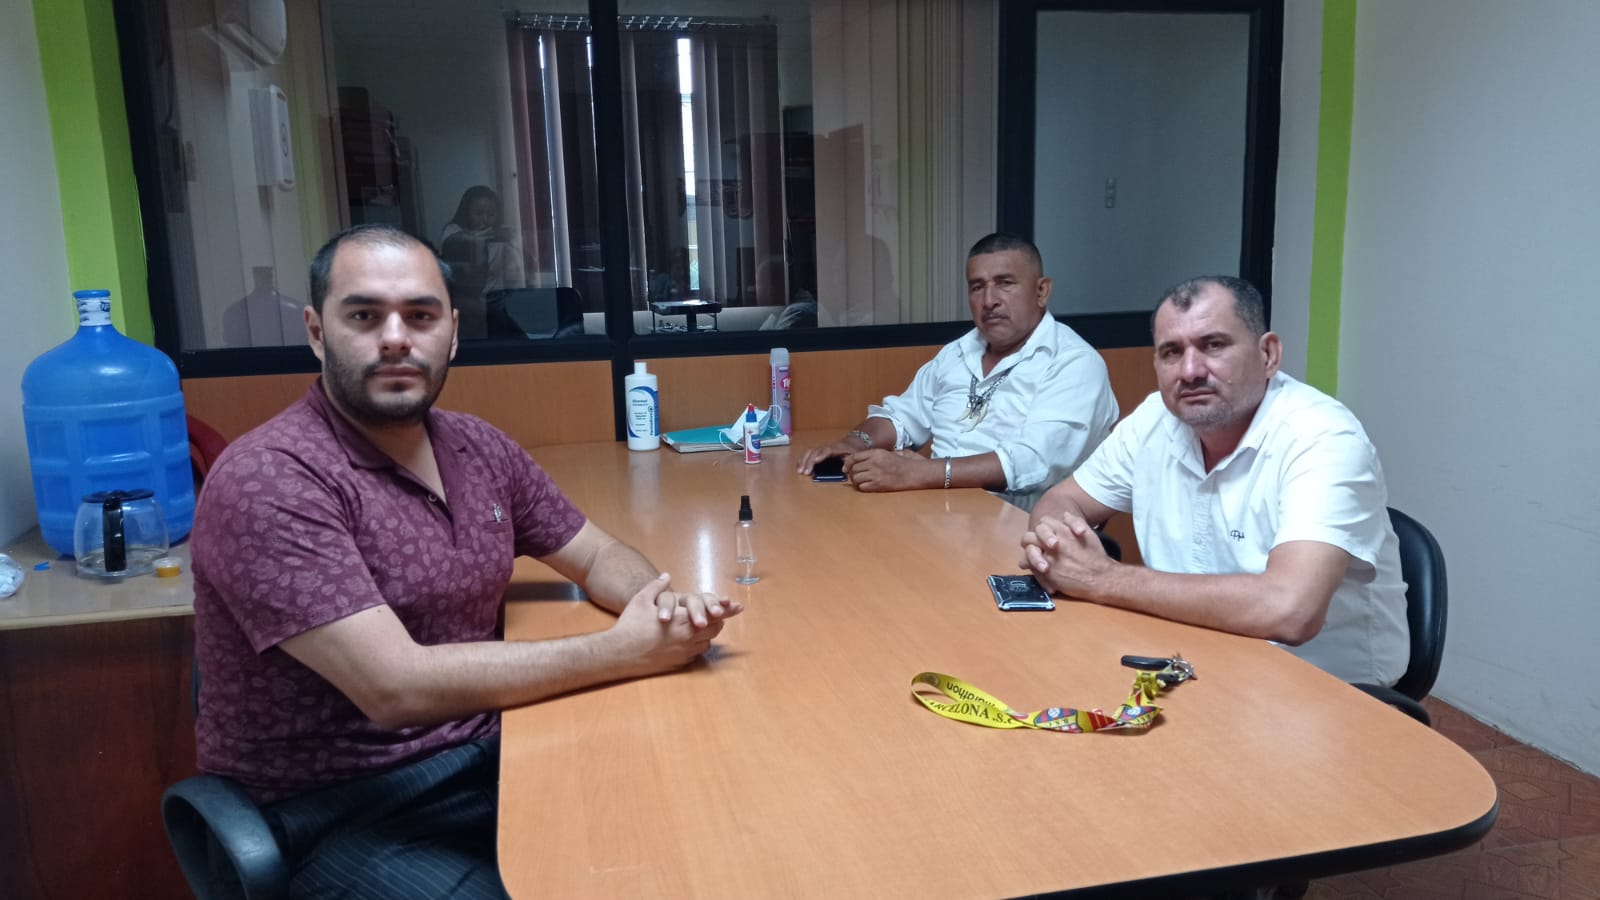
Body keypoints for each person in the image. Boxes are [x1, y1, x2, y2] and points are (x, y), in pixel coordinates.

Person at [190, 224, 741, 898]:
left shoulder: (477, 447)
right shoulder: (271, 479)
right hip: (344, 807)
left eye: (420, 316)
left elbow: (596, 553)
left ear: (451, 333)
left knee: (697, 820)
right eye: (364, 316)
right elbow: (394, 687)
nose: (396, 338)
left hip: (494, 754)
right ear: (316, 332)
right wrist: (623, 651)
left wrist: (658, 606)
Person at [1022, 275, 1408, 686]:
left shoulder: (1323, 437)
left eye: (1213, 345)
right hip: (1188, 660)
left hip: (1324, 687)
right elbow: (1062, 500)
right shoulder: (1154, 420)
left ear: (1268, 355)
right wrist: (1057, 550)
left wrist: (1100, 578)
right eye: (1171, 352)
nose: (1190, 371)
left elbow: (1291, 610)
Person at [797, 232, 1118, 511]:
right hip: (941, 514)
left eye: (1005, 283)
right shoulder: (957, 353)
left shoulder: (1074, 363)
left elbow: (1033, 462)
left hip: (1025, 531)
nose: (989, 300)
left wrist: (922, 473)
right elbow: (902, 416)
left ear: (1041, 291)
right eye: (977, 287)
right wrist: (856, 443)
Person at [440, 185, 526, 338]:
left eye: (491, 214)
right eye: (479, 213)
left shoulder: (502, 236)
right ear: (466, 213)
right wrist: (475, 240)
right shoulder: (453, 231)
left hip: (496, 301)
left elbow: (514, 275)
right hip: (465, 303)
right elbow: (452, 244)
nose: (485, 220)